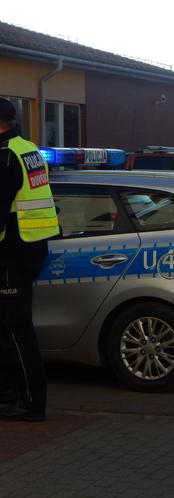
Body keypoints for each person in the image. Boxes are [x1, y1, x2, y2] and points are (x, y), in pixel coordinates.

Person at [0, 97, 59, 421]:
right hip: (30, 247)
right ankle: (12, 398)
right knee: (9, 329)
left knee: (15, 329)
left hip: (11, 251)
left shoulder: (6, 156)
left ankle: (29, 403)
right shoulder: (28, 149)